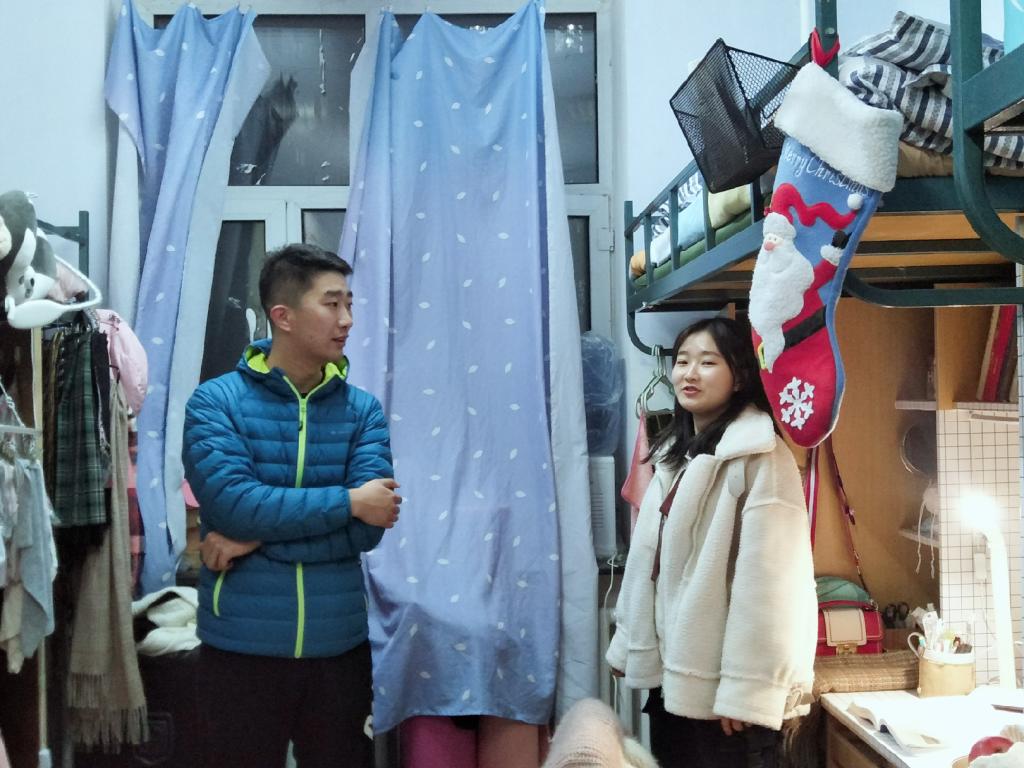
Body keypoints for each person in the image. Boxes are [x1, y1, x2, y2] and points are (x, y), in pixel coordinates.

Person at [182, 243, 401, 768]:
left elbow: (370, 528)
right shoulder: (216, 402)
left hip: (338, 648)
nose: (347, 320)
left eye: (349, 304)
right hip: (241, 647)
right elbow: (235, 506)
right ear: (283, 316)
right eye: (332, 303)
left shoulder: (363, 411)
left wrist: (253, 539)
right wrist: (348, 501)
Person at [605, 316, 817, 768]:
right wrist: (631, 643)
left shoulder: (761, 458)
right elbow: (646, 562)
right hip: (673, 686)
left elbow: (769, 586)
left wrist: (745, 690)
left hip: (727, 702)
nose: (690, 373)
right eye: (682, 361)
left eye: (707, 362)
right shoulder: (674, 455)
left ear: (739, 376)